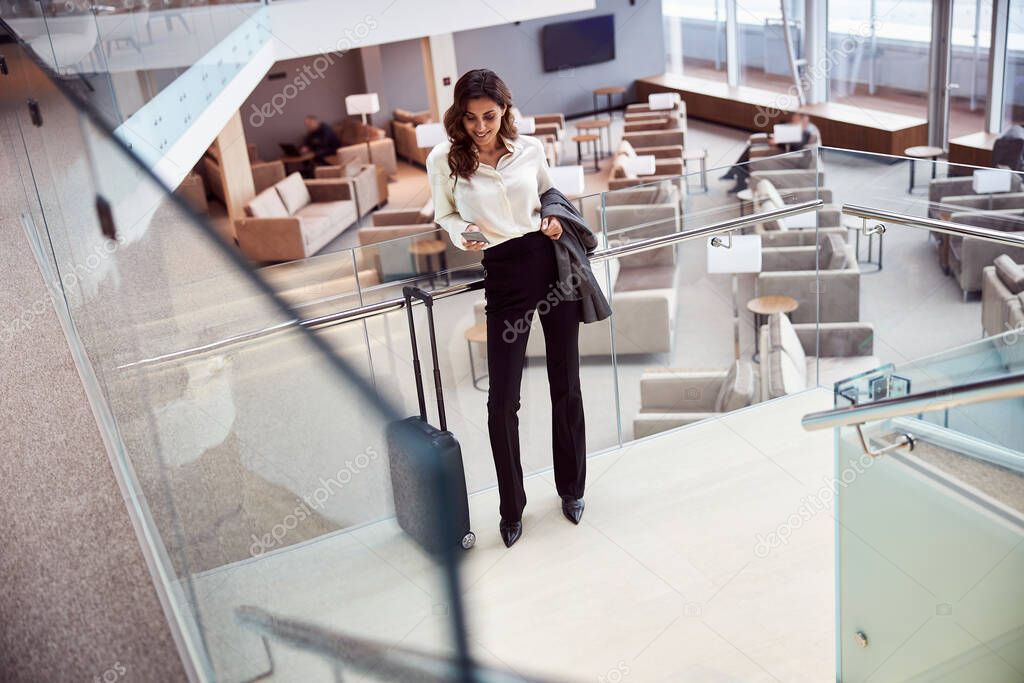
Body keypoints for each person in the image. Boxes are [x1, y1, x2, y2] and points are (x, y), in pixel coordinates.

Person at [426, 69, 588, 548]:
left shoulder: (531, 149)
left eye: (490, 116)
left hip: (549, 262)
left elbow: (549, 195)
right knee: (502, 402)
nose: (481, 127)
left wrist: (554, 218)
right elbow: (445, 214)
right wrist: (463, 235)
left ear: (505, 111)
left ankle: (572, 490)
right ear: (459, 116)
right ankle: (511, 508)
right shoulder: (445, 159)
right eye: (471, 117)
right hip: (504, 273)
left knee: (567, 383)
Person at [722, 111, 820, 193]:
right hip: (780, 148)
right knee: (750, 148)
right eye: (794, 118)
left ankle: (736, 176)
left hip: (784, 155)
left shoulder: (806, 132)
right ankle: (735, 172)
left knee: (749, 157)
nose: (793, 120)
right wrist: (777, 137)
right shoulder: (796, 129)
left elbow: (795, 146)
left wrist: (777, 143)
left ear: (804, 120)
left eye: (796, 119)